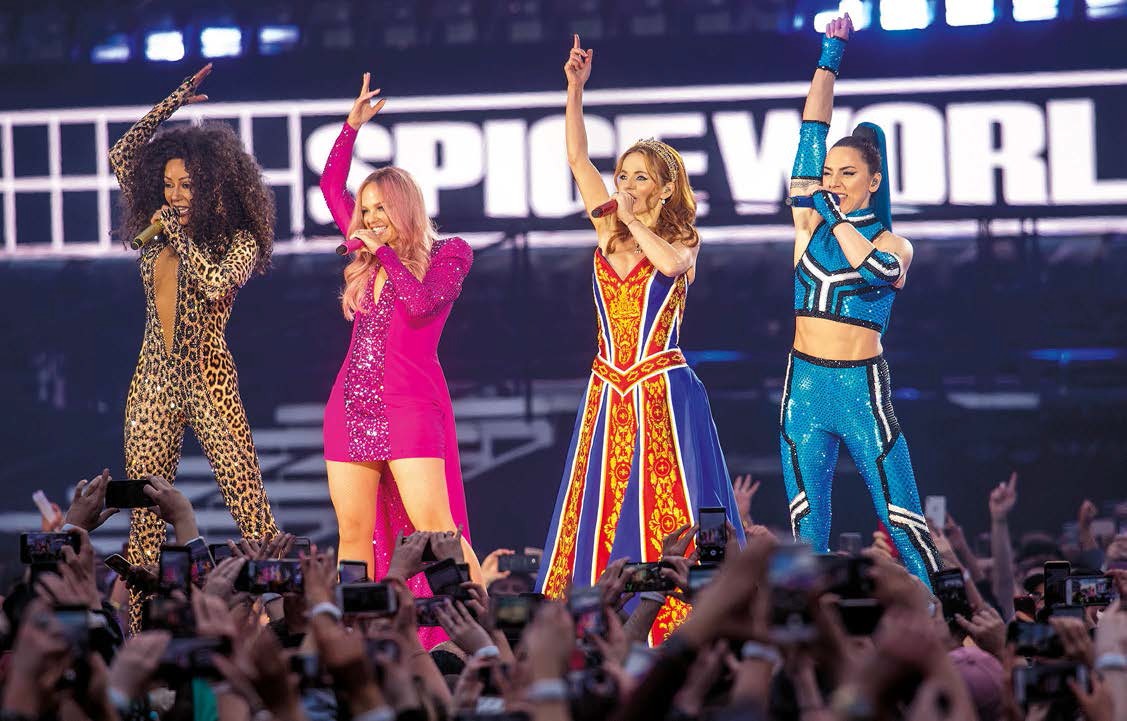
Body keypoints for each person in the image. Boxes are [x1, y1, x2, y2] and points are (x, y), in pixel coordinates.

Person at [538, 36, 745, 644]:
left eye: (638, 177)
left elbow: (672, 265)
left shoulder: (682, 240)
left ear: (662, 188)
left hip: (663, 391)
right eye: (622, 174)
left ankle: (681, 625)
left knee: (670, 504)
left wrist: (628, 217)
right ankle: (600, 625)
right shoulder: (608, 231)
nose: (624, 183)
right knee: (602, 507)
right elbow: (577, 158)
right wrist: (575, 90)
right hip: (608, 388)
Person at [109, 63, 280, 613]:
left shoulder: (239, 239)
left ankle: (282, 626)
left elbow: (214, 284)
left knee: (252, 513)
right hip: (152, 381)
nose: (175, 194)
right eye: (168, 185)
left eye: (187, 185)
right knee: (145, 523)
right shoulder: (157, 231)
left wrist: (179, 237)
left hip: (210, 380)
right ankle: (138, 638)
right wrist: (173, 102)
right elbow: (120, 154)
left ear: (212, 185)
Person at [780, 15, 940, 585]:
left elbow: (876, 270)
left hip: (860, 390)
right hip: (804, 388)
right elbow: (811, 127)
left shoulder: (894, 243)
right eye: (828, 173)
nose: (833, 181)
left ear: (873, 182)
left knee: (902, 518)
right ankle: (808, 626)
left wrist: (835, 216)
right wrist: (831, 54)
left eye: (847, 173)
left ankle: (940, 618)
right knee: (807, 527)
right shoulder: (807, 225)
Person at [319, 72, 482, 587]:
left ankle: (488, 626)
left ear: (403, 207)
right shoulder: (369, 256)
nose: (368, 219)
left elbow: (420, 304)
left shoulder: (449, 254)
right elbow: (330, 186)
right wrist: (351, 126)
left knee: (437, 532)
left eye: (379, 209)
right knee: (352, 534)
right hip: (351, 403)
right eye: (364, 210)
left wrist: (385, 253)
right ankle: (357, 628)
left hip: (409, 402)